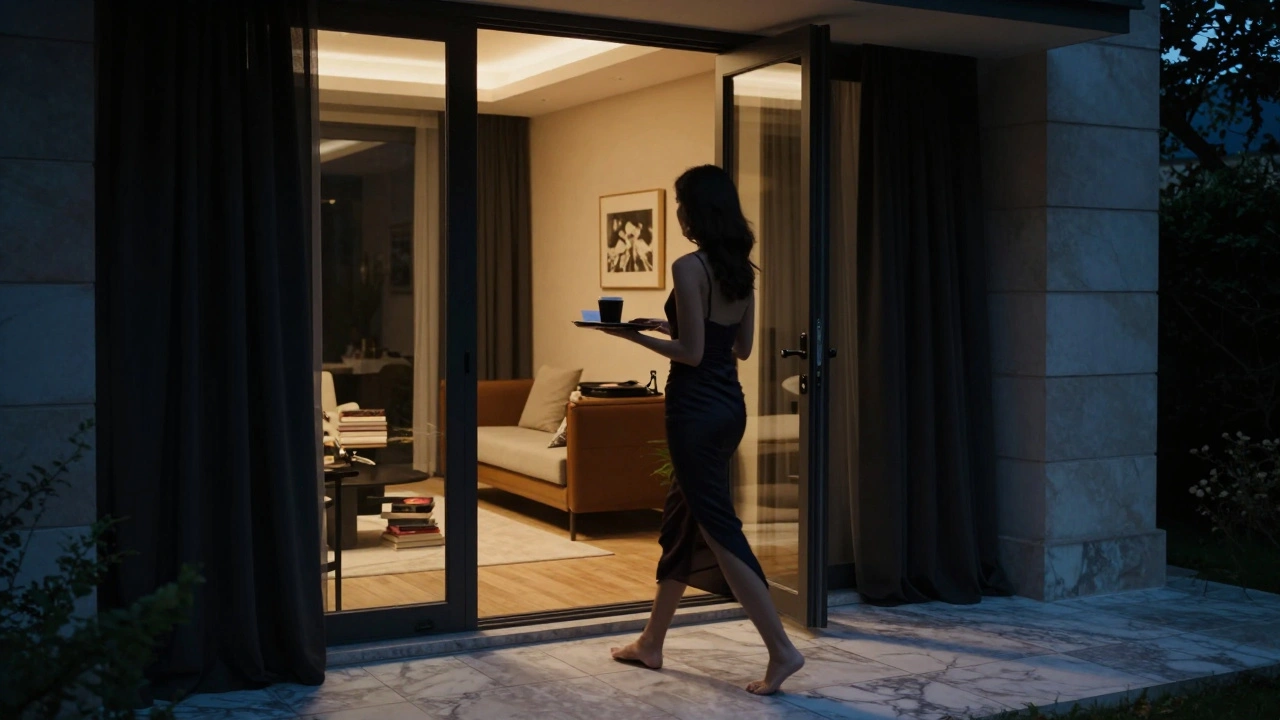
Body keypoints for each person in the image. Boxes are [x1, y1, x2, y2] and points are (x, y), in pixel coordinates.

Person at [600, 164, 805, 695]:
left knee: (718, 528)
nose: (677, 211)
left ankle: (782, 650)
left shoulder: (688, 267)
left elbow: (690, 355)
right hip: (728, 407)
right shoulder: (742, 270)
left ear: (696, 210)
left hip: (692, 411)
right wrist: (670, 326)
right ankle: (651, 642)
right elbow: (737, 348)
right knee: (682, 522)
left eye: (680, 202)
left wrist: (629, 337)